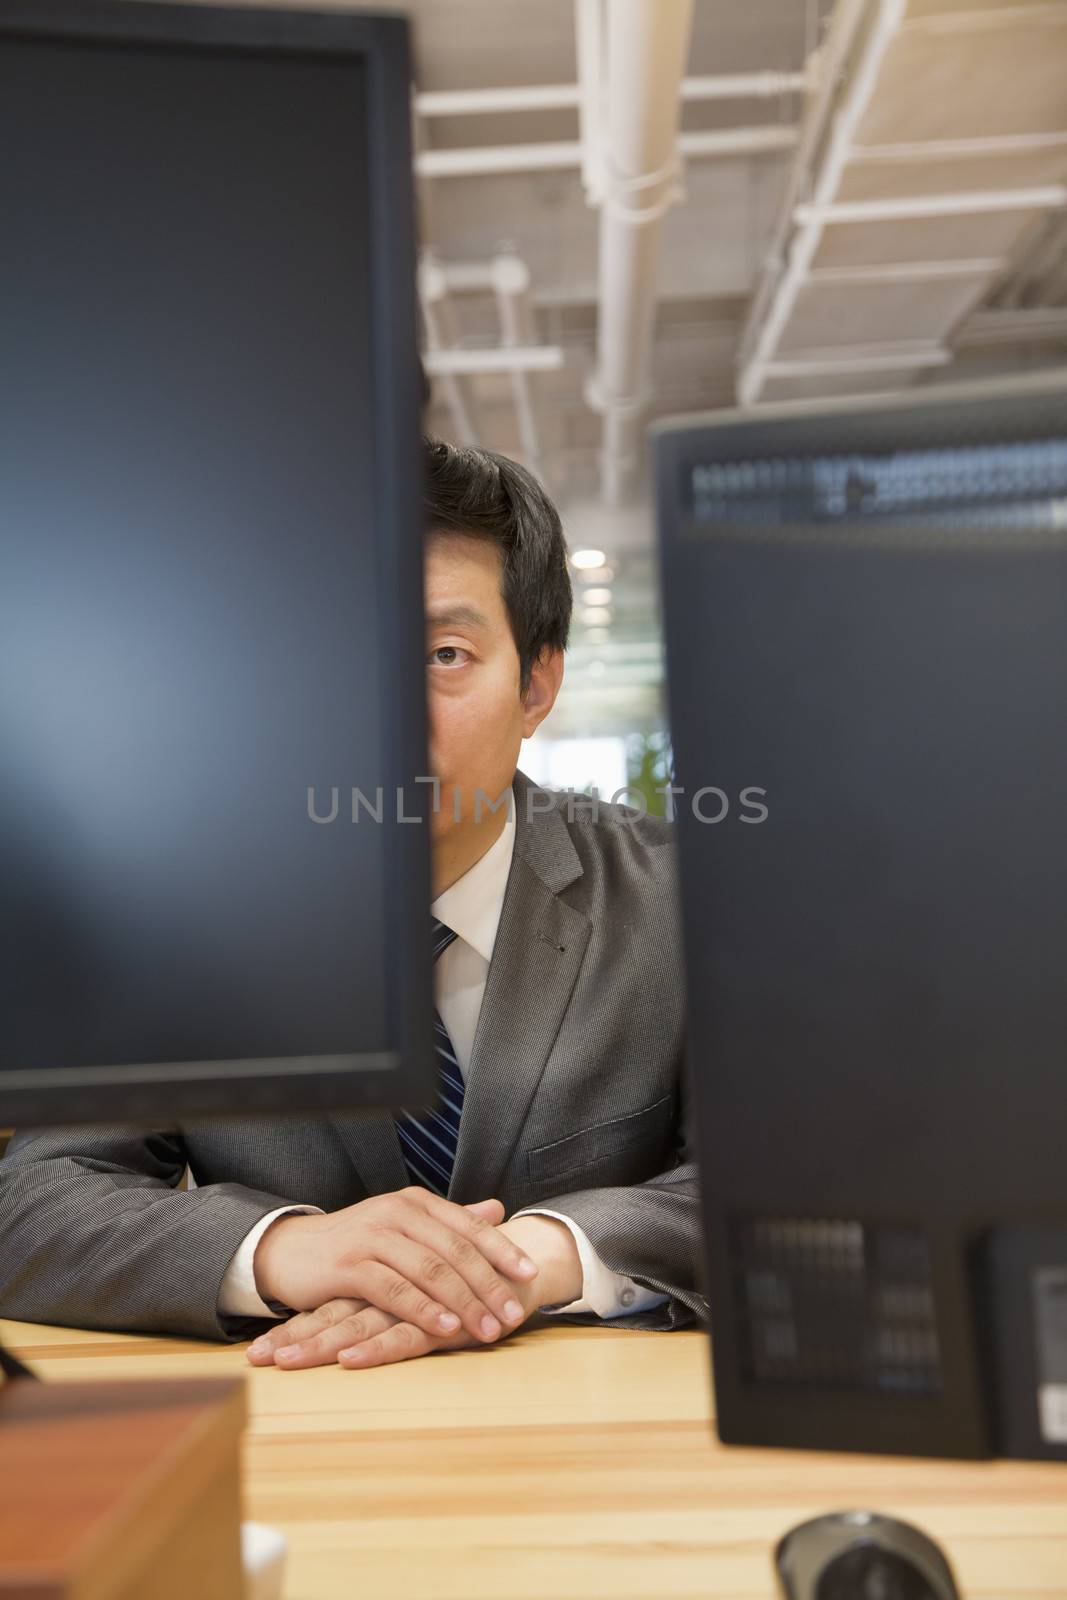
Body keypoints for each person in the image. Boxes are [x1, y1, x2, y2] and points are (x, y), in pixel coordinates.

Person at [0, 438, 703, 1371]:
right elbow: (32, 1199)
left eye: (444, 655)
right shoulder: (179, 919)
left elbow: (792, 1177)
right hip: (298, 1432)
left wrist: (530, 1260)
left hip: (602, 1438)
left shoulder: (682, 899)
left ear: (537, 684)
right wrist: (285, 1249)